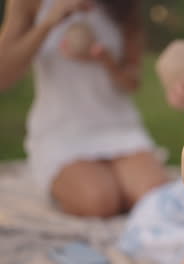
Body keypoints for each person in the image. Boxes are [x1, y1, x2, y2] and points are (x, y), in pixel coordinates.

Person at [0, 0, 168, 217]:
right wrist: (48, 23)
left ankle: (111, 179)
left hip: (118, 129)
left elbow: (132, 82)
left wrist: (104, 59)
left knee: (155, 197)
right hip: (61, 132)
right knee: (100, 202)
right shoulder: (29, 3)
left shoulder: (124, 5)